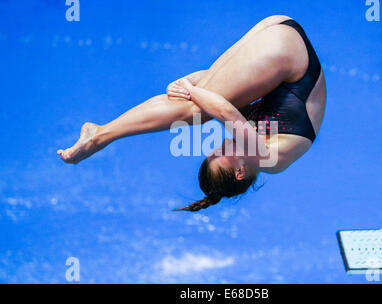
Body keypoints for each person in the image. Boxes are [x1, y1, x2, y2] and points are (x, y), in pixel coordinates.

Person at [57, 15, 327, 211]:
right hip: (284, 47)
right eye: (220, 154)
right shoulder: (271, 160)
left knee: (198, 106)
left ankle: (103, 133)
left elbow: (212, 83)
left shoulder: (254, 143)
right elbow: (223, 110)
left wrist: (191, 85)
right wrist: (188, 88)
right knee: (194, 110)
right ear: (241, 172)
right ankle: (101, 135)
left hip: (280, 35)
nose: (220, 145)